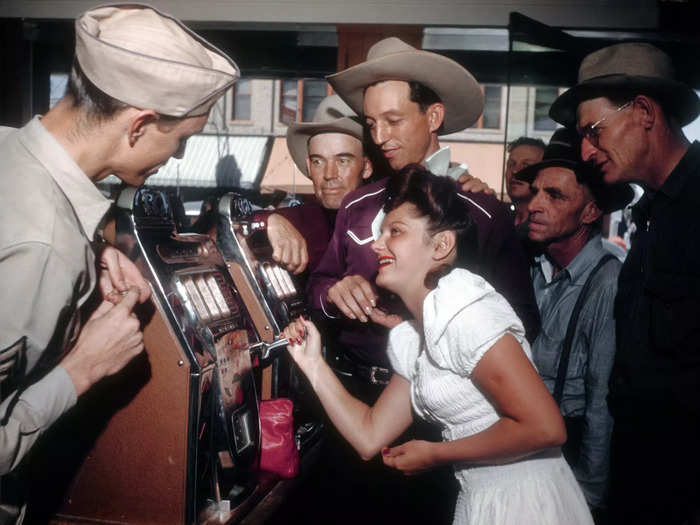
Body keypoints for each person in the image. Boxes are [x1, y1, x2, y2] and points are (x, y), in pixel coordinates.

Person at [0, 3, 238, 519]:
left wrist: (93, 248)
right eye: (181, 141)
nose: (176, 158)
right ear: (139, 125)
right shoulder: (44, 248)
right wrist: (82, 369)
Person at [283, 165, 593, 525]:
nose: (377, 243)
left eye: (394, 231)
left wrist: (437, 454)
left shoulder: (466, 310)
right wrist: (312, 364)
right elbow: (369, 435)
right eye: (381, 231)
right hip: (482, 500)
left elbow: (546, 428)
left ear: (442, 245)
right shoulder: (420, 333)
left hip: (527, 504)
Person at [308, 37, 540, 392]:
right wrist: (333, 294)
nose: (380, 137)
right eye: (371, 124)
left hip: (441, 399)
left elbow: (519, 320)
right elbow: (317, 288)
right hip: (352, 388)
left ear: (433, 116)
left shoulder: (483, 214)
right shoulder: (357, 204)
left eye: (393, 120)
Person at [549, 42, 700, 524]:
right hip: (639, 473)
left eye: (594, 132)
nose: (587, 151)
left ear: (643, 112)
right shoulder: (650, 214)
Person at [514, 127, 633, 519]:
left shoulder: (607, 280)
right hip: (515, 453)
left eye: (555, 195)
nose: (535, 204)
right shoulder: (528, 267)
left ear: (590, 212)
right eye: (535, 192)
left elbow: (602, 403)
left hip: (567, 461)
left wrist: (587, 498)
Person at [249, 94, 374, 277]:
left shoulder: (389, 221)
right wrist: (267, 221)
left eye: (343, 161)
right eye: (318, 162)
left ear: (366, 167)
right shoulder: (300, 220)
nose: (329, 174)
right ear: (308, 167)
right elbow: (217, 234)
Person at [504, 136, 545, 229]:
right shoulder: (499, 217)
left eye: (526, 166)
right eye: (511, 164)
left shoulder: (545, 226)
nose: (515, 171)